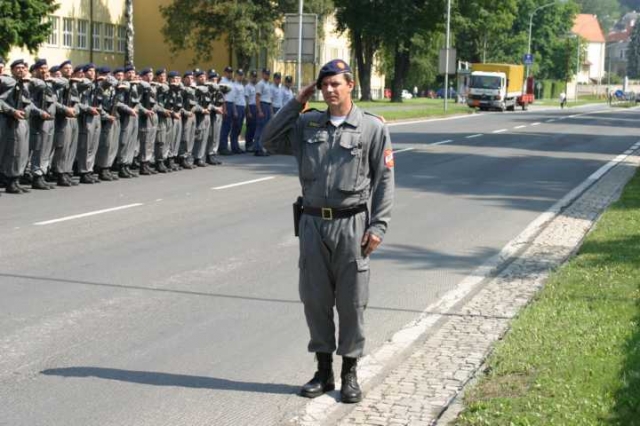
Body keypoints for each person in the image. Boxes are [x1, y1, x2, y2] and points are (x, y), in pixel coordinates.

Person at [261, 59, 395, 404]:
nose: (330, 90)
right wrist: (296, 102)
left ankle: (350, 371)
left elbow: (384, 181)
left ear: (351, 85)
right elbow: (268, 140)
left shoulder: (371, 128)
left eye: (336, 84)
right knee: (316, 300)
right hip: (312, 223)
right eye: (324, 85)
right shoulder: (307, 125)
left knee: (351, 302)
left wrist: (378, 225)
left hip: (352, 225)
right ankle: (323, 370)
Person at [253, 68, 273, 156]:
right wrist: (259, 110)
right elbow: (257, 97)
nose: (267, 76)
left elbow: (270, 99)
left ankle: (263, 147)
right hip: (262, 105)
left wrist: (271, 111)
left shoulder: (268, 84)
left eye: (268, 74)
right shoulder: (260, 84)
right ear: (262, 74)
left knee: (266, 129)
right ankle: (257, 148)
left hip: (267, 106)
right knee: (260, 127)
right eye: (266, 74)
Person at [230, 69, 246, 154]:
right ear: (236, 75)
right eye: (239, 75)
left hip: (242, 107)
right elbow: (233, 99)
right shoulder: (234, 85)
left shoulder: (241, 85)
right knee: (235, 128)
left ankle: (237, 146)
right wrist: (235, 110)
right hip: (237, 107)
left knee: (239, 128)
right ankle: (234, 147)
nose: (241, 76)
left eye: (242, 75)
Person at [244, 70, 258, 152]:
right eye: (253, 77)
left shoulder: (257, 86)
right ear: (250, 77)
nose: (254, 78)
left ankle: (253, 144)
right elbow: (246, 100)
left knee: (255, 127)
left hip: (256, 107)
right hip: (250, 107)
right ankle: (248, 144)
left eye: (255, 77)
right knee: (250, 127)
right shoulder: (247, 87)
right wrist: (248, 111)